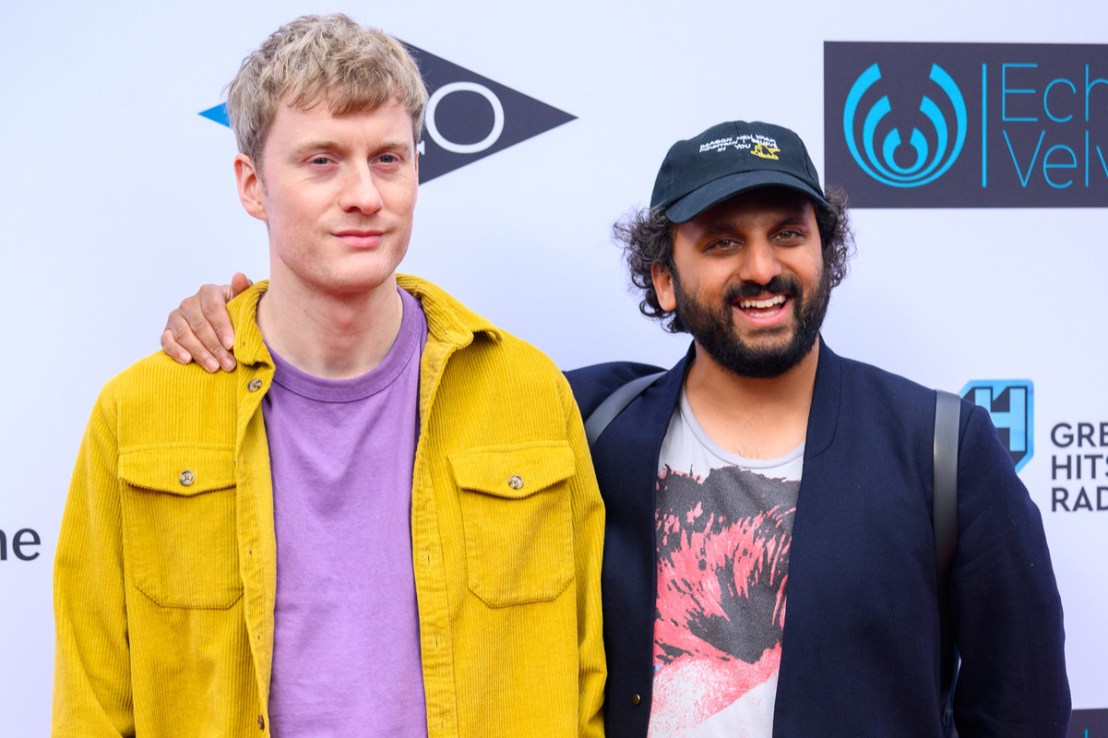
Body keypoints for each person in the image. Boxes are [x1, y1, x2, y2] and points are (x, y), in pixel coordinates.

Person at [161, 120, 1070, 737]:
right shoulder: (583, 425)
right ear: (665, 279)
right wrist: (238, 316)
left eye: (788, 235)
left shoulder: (943, 450)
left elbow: (1019, 712)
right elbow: (371, 380)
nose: (762, 267)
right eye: (721, 242)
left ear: (823, 255)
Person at [53, 15, 605, 738]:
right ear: (253, 186)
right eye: (321, 161)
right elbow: (93, 703)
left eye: (388, 159)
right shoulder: (142, 410)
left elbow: (586, 681)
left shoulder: (525, 392)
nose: (364, 195)